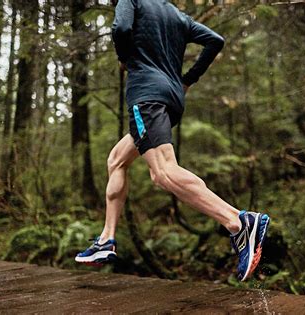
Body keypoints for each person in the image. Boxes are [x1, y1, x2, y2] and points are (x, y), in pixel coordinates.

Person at [75, 0, 270, 281]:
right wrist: (188, 80)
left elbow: (121, 28)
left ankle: (238, 222)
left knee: (163, 172)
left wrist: (125, 59)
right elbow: (215, 41)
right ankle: (106, 239)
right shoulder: (178, 16)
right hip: (172, 98)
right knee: (117, 159)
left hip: (147, 97)